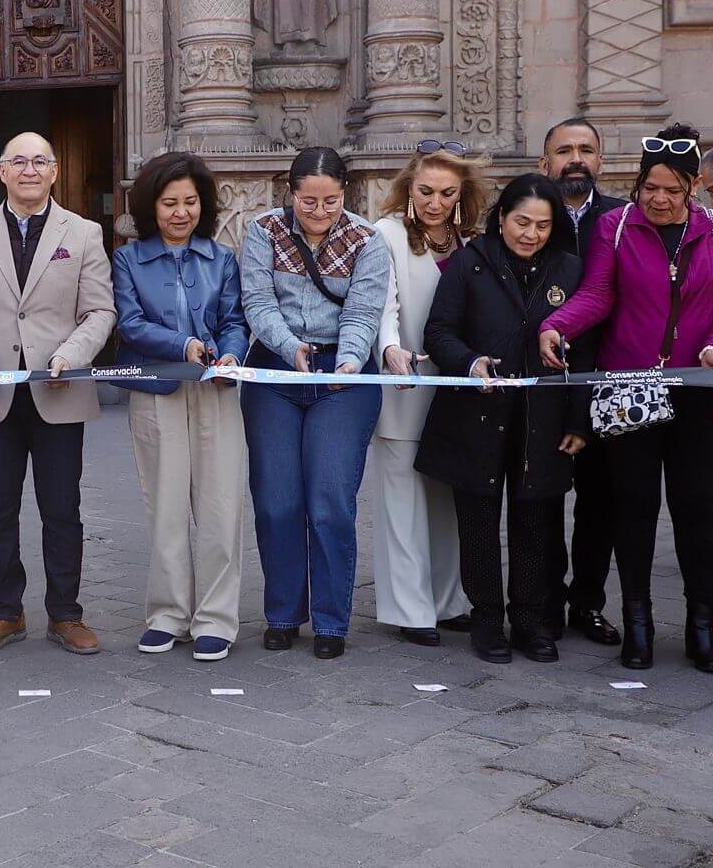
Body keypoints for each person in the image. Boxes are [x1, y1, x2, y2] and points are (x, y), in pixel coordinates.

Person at [541, 124, 713, 673]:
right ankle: (638, 624)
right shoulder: (614, 228)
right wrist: (557, 324)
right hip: (628, 386)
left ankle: (701, 627)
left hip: (698, 388)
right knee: (633, 508)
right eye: (649, 187)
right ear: (637, 184)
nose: (658, 199)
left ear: (692, 188)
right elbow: (597, 294)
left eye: (672, 190)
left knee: (693, 508)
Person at [0, 131, 116, 656]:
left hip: (58, 387)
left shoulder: (82, 234)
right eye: (19, 161)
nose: (30, 169)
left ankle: (66, 614)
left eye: (40, 161)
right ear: (2, 171)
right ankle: (3, 613)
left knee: (63, 508)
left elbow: (99, 310)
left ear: (55, 171)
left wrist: (72, 355)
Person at [416, 174, 591, 663]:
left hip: (545, 416)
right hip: (477, 412)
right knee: (478, 519)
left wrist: (580, 421)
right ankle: (487, 619)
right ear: (502, 218)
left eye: (541, 225)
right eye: (521, 222)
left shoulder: (571, 269)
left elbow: (587, 348)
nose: (530, 234)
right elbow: (439, 332)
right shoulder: (471, 263)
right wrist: (470, 362)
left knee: (537, 519)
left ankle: (532, 620)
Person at [240, 147, 390, 660]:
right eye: (309, 201)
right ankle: (283, 613)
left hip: (343, 379)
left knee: (329, 501)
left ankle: (331, 620)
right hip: (276, 370)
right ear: (290, 192)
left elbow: (364, 310)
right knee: (277, 501)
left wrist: (348, 361)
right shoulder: (263, 231)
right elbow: (257, 302)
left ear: (344, 194)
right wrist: (290, 347)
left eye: (330, 201)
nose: (320, 212)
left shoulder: (368, 240)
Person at [113, 151, 249, 662]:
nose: (180, 212)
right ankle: (168, 614)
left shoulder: (223, 258)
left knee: (220, 506)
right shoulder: (128, 259)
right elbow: (129, 322)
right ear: (151, 206)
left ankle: (216, 617)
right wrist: (182, 345)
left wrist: (231, 351)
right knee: (165, 506)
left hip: (215, 391)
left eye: (189, 202)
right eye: (169, 203)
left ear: (203, 205)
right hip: (156, 390)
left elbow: (236, 317)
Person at [370, 140, 487, 646]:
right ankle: (410, 608)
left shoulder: (472, 241)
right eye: (425, 191)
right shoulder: (386, 234)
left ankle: (448, 600)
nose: (435, 202)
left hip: (456, 390)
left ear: (462, 195)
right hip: (404, 386)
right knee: (403, 502)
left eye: (446, 193)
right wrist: (391, 350)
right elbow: (382, 305)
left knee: (445, 497)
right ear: (408, 188)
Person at [538, 116, 628, 645]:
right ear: (544, 162)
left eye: (586, 149)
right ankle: (544, 600)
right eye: (565, 149)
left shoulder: (623, 219)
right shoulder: (525, 214)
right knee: (542, 498)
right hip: (545, 379)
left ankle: (587, 602)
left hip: (609, 378)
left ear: (600, 159)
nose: (576, 158)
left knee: (603, 500)